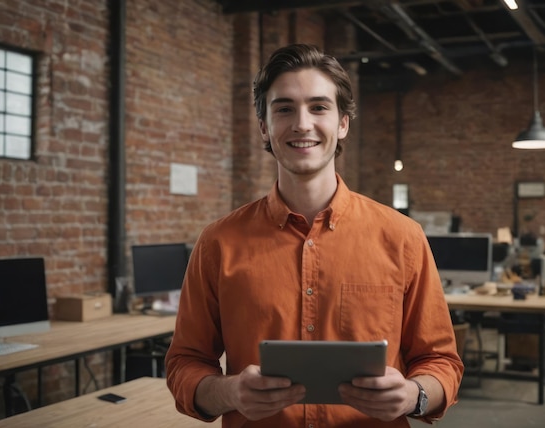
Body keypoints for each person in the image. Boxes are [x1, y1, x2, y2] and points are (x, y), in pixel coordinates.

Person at [165, 43, 463, 427]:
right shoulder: (218, 243)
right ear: (264, 126)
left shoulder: (403, 238)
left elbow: (442, 361)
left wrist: (413, 396)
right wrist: (231, 392)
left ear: (342, 123)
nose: (302, 124)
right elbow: (184, 363)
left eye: (319, 107)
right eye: (284, 108)